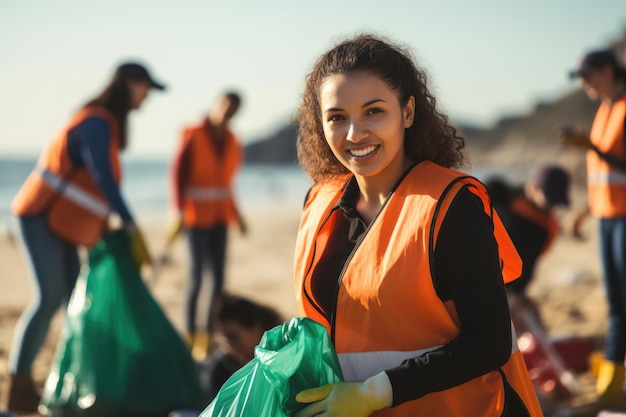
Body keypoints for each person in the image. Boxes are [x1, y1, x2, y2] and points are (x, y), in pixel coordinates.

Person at [292, 33, 543, 417]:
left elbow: (488, 341)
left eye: (374, 111)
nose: (355, 134)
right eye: (337, 118)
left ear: (407, 112)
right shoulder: (319, 202)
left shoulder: (451, 206)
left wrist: (376, 392)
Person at [5, 61, 166, 413]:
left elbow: (92, 188)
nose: (147, 98)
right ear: (128, 83)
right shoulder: (95, 121)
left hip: (64, 227)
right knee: (48, 299)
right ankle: (17, 388)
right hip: (39, 216)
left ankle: (72, 382)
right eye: (145, 89)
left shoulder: (104, 124)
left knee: (73, 305)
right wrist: (128, 221)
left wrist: (110, 223)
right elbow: (102, 176)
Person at [560, 48, 626, 412]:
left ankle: (611, 388)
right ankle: (611, 387)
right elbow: (606, 176)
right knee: (616, 304)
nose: (584, 83)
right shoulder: (605, 110)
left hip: (624, 219)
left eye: (588, 75)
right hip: (607, 217)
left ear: (607, 70)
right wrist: (585, 211)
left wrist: (591, 146)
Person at [169, 91, 248, 361]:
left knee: (218, 281)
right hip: (195, 218)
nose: (228, 113)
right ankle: (191, 334)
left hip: (220, 218)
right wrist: (176, 211)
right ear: (216, 104)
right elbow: (177, 176)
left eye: (233, 110)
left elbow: (226, 183)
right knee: (196, 277)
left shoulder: (234, 142)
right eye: (225, 106)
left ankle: (208, 336)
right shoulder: (193, 135)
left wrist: (238, 215)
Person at [486, 165, 571, 333]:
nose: (551, 205)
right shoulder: (505, 202)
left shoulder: (546, 225)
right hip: (494, 282)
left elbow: (531, 261)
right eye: (548, 198)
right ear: (533, 187)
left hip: (513, 286)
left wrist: (519, 292)